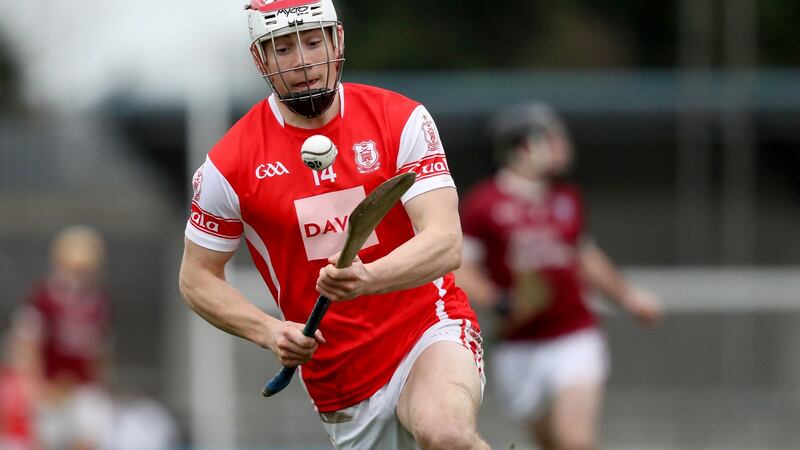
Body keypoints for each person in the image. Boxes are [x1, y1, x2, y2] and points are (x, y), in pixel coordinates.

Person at [178, 1, 488, 449]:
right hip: (339, 377)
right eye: (282, 48)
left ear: (336, 41)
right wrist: (268, 331)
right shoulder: (230, 165)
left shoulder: (400, 120)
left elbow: (445, 242)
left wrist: (368, 277)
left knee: (446, 433)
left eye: (311, 41)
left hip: (426, 327)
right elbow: (196, 278)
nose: (302, 61)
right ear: (260, 59)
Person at [455, 103, 663, 450]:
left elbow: (585, 257)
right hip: (517, 344)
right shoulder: (483, 203)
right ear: (523, 146)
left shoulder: (567, 199)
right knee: (551, 443)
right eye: (552, 138)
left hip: (573, 335)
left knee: (576, 441)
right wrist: (500, 301)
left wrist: (627, 297)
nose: (563, 145)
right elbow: (462, 268)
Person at [13, 225, 114, 450]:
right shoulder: (43, 298)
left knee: (88, 439)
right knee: (48, 440)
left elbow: (99, 351)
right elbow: (27, 344)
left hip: (83, 385)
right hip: (50, 385)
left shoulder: (99, 302)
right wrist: (34, 385)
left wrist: (100, 385)